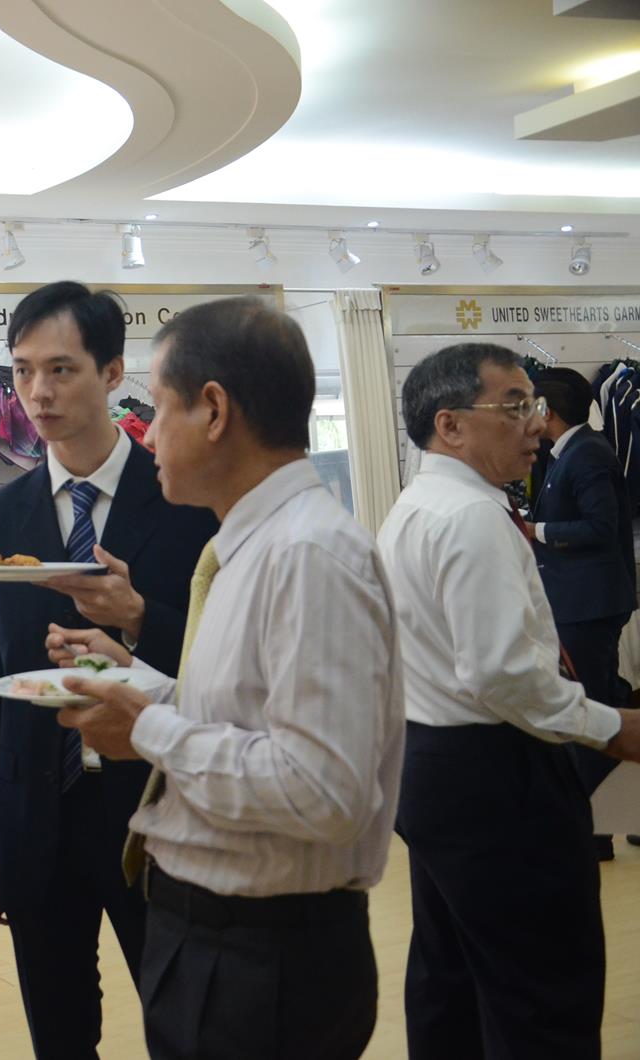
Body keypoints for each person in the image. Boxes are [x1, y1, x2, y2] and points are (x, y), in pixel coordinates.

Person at [53, 297, 403, 1060]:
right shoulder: (249, 545)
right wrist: (140, 686)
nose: (146, 436)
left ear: (213, 410)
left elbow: (323, 791)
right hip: (219, 938)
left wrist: (147, 730)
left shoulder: (308, 555)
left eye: (157, 408)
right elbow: (247, 720)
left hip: (265, 958)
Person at [0, 281, 216, 1057]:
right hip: (37, 812)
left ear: (112, 373)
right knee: (59, 1029)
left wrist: (139, 618)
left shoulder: (187, 500)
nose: (37, 392)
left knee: (185, 1021)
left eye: (61, 369)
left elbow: (226, 657)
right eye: (23, 370)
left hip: (156, 803)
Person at [379, 342, 640, 1059]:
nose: (535, 423)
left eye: (535, 405)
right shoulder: (470, 517)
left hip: (434, 765)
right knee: (543, 990)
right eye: (516, 405)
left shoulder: (418, 504)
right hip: (495, 773)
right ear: (451, 424)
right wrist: (611, 726)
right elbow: (503, 676)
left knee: (453, 978)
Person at [530, 366, 638, 861]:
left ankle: (598, 830)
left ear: (547, 410)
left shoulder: (588, 453)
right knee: (599, 703)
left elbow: (600, 526)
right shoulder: (568, 453)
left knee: (593, 710)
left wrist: (537, 532)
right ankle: (606, 824)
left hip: (590, 606)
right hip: (579, 603)